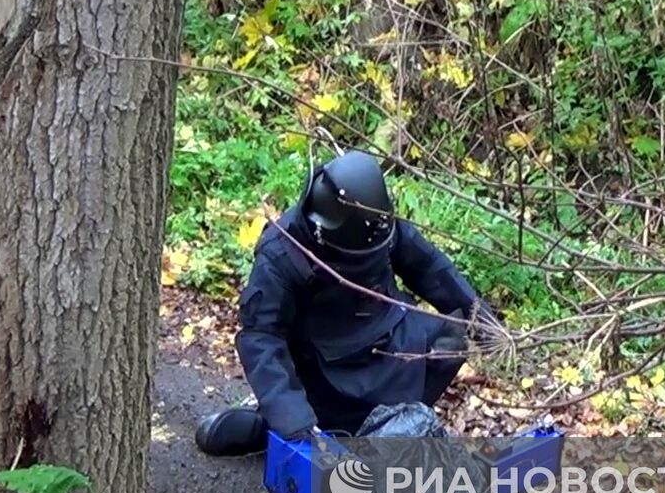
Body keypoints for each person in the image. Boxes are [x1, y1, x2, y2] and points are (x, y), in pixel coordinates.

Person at [195, 149, 496, 455]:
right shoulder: (283, 254)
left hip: (388, 340)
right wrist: (295, 422)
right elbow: (262, 338)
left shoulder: (376, 221)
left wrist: (484, 322)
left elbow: (429, 267)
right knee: (295, 421)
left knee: (451, 341)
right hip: (326, 368)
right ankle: (277, 427)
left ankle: (382, 427)